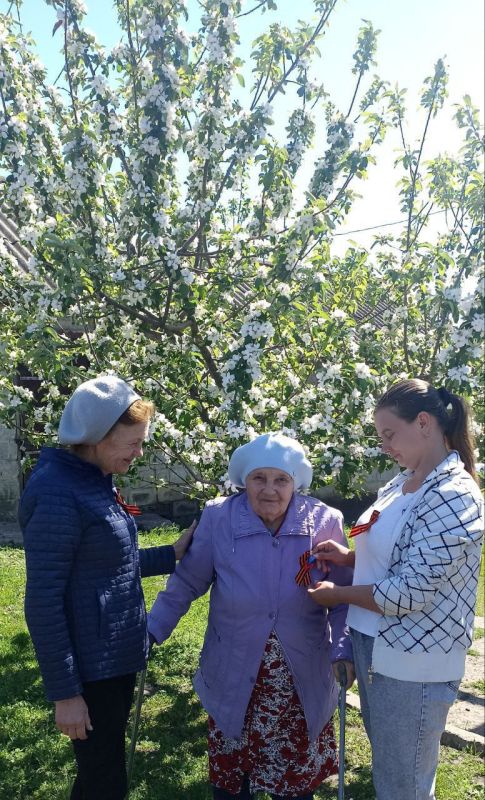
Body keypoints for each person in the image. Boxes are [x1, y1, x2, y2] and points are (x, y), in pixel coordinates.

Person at [148, 432, 354, 800]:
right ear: (245, 481)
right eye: (259, 478)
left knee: (294, 790)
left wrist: (343, 649)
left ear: (295, 483)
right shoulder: (219, 517)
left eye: (281, 480)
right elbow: (187, 582)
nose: (269, 490)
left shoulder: (324, 520)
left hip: (298, 684)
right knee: (233, 789)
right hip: (234, 677)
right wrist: (151, 631)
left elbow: (343, 599)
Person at [19, 374, 194, 800]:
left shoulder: (93, 479)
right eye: (133, 443)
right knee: (103, 781)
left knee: (103, 774)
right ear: (98, 436)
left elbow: (108, 566)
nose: (139, 452)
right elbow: (43, 601)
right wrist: (66, 694)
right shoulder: (58, 492)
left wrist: (172, 554)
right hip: (90, 669)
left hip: (111, 658)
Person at [308, 379, 484, 800]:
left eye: (389, 434)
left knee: (404, 785)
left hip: (414, 663)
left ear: (423, 422)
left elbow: (409, 593)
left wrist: (338, 595)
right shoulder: (403, 482)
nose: (384, 446)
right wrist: (350, 558)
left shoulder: (453, 495)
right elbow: (397, 557)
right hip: (376, 646)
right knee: (392, 769)